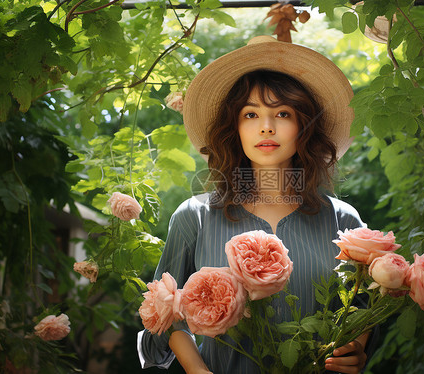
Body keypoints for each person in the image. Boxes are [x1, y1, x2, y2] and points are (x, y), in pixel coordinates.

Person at [138, 35, 372, 374]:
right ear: (234, 127)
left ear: (304, 125)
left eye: (282, 113)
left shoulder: (343, 220)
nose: (266, 126)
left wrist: (356, 348)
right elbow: (164, 317)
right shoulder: (195, 217)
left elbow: (363, 306)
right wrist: (198, 371)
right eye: (250, 114)